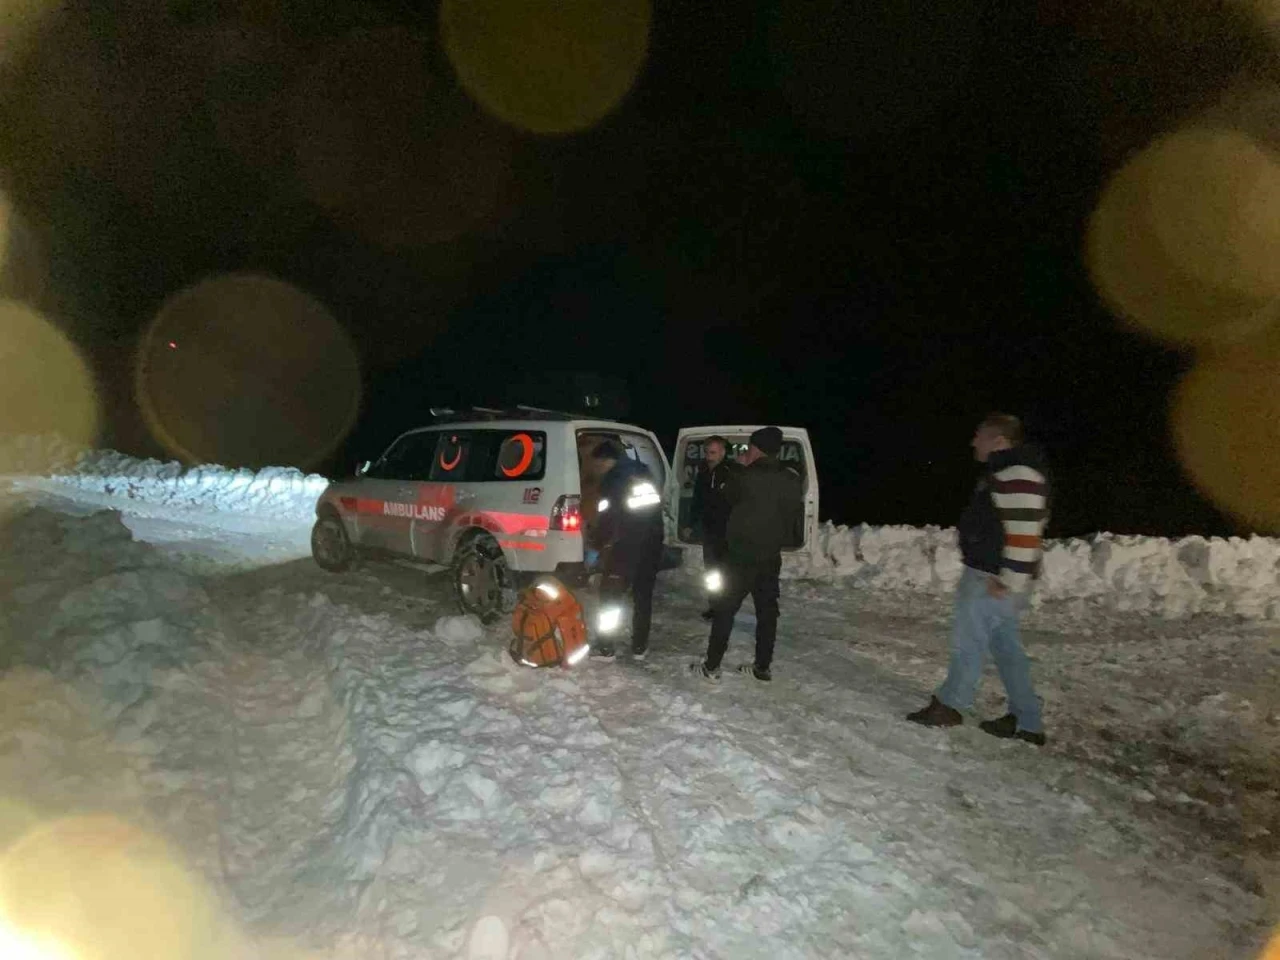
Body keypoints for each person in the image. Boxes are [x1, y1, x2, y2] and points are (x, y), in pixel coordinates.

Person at [907, 413, 1051, 745]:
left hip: (992, 578)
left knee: (968, 644)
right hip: (996, 576)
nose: (974, 442)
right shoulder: (1007, 472)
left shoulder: (1018, 474)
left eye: (980, 436)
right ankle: (1027, 721)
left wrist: (1009, 580)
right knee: (1007, 650)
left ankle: (951, 705)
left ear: (999, 440)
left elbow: (1026, 530)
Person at [691, 427, 803, 683]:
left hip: (740, 557)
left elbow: (726, 498)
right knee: (767, 614)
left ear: (755, 449)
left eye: (750, 448)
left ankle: (712, 667)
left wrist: (740, 468)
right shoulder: (791, 478)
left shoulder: (743, 476)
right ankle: (762, 668)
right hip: (770, 557)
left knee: (724, 610)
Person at [587, 439, 665, 661]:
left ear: (606, 461)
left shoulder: (613, 480)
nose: (596, 469)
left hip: (624, 548)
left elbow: (608, 520)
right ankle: (640, 647)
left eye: (597, 464)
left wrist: (596, 546)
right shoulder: (644, 474)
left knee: (610, 598)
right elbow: (655, 513)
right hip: (651, 546)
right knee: (643, 597)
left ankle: (605, 648)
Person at [682, 435, 741, 620]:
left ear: (723, 452)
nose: (709, 456)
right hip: (710, 532)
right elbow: (698, 501)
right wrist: (690, 524)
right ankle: (715, 606)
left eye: (713, 453)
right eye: (707, 452)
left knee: (727, 572)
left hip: (729, 532)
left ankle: (727, 607)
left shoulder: (732, 472)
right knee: (712, 573)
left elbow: (741, 501)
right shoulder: (703, 472)